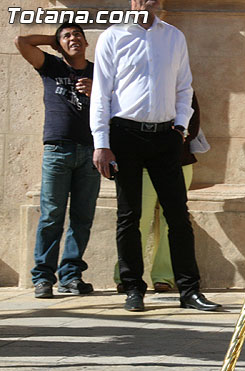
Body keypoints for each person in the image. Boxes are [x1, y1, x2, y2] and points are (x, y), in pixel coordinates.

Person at [90, 0, 221, 312]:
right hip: (125, 135)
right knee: (129, 215)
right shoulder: (113, 36)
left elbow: (183, 87)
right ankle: (133, 288)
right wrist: (101, 142)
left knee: (178, 215)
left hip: (166, 136)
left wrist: (180, 127)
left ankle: (189, 291)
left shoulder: (174, 36)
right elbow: (101, 93)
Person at [15, 23, 100, 299]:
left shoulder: (99, 72)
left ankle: (71, 276)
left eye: (77, 35)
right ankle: (43, 278)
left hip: (91, 151)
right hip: (57, 150)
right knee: (51, 215)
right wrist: (53, 39)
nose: (73, 38)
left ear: (86, 43)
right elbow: (21, 41)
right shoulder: (51, 66)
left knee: (82, 217)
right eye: (67, 36)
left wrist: (96, 90)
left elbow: (118, 102)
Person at [113, 94, 201, 294]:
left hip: (180, 161)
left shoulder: (182, 86)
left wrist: (174, 139)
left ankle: (164, 277)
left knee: (173, 220)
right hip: (141, 163)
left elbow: (193, 123)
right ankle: (125, 277)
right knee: (138, 217)